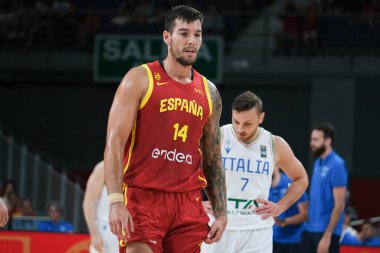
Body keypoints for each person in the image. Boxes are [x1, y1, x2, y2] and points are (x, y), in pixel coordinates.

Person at [104, 5, 227, 253]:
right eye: (184, 33)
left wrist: (222, 213)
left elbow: (213, 158)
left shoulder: (209, 92)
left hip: (187, 202)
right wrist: (115, 200)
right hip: (142, 198)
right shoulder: (139, 79)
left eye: (197, 34)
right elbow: (114, 142)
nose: (192, 41)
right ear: (167, 37)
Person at [202, 91, 309, 253]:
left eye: (247, 124)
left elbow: (301, 178)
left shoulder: (275, 144)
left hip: (258, 230)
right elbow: (186, 169)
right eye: (236, 122)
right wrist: (197, 203)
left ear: (261, 118)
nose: (240, 129)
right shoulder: (218, 136)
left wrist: (281, 206)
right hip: (220, 225)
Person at [302, 123, 348, 253]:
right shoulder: (317, 162)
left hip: (326, 232)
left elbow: (339, 204)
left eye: (316, 140)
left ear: (328, 141)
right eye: (312, 139)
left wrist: (327, 236)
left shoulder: (337, 164)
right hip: (311, 229)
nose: (312, 143)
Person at [269, 167, 308, 253]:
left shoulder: (291, 183)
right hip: (271, 239)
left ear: (277, 166)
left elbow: (304, 214)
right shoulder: (265, 186)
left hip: (293, 240)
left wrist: (283, 222)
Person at [83, 161, 118, 253]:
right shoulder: (103, 167)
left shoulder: (137, 165)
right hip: (105, 229)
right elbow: (88, 202)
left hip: (128, 230)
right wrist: (94, 234)